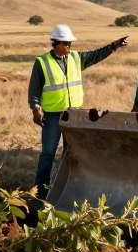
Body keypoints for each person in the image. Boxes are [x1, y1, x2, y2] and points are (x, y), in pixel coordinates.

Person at [28, 24, 127, 195]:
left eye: (70, 43)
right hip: (52, 116)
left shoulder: (76, 58)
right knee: (48, 153)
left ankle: (67, 188)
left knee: (72, 153)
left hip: (73, 116)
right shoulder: (42, 62)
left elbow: (96, 55)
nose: (69, 47)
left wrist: (113, 46)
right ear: (56, 43)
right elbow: (34, 89)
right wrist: (35, 109)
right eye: (66, 44)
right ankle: (41, 190)